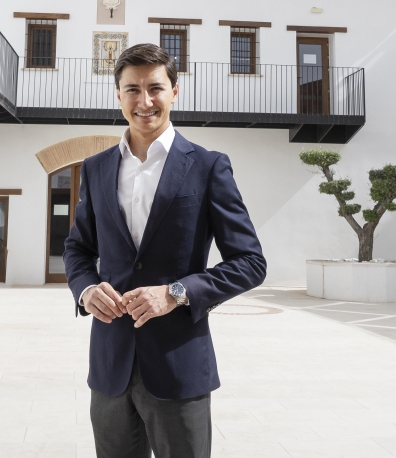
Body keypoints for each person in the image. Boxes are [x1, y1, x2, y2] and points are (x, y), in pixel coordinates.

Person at [64, 43, 267, 458]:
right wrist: (86, 290)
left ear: (174, 91)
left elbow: (250, 262)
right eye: (132, 89)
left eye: (155, 88)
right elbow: (78, 249)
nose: (144, 101)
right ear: (118, 95)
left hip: (179, 367)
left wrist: (176, 293)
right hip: (110, 366)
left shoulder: (208, 166)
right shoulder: (96, 168)